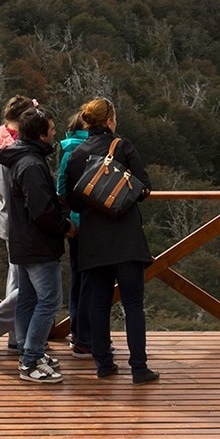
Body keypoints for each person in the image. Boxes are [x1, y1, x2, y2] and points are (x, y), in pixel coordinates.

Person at [64, 98, 159, 385]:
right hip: (127, 236)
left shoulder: (75, 154)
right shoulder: (123, 146)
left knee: (99, 303)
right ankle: (139, 369)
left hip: (93, 239)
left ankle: (104, 363)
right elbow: (145, 187)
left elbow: (72, 201)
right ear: (109, 121)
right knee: (132, 305)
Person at [0, 105, 75, 383]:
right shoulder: (31, 164)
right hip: (37, 244)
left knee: (28, 299)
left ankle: (30, 352)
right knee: (50, 300)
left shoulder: (20, 159)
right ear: (41, 134)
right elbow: (41, 210)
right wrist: (65, 226)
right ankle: (30, 361)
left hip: (22, 241)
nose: (54, 132)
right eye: (52, 129)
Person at [0, 95, 36, 352]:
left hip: (7, 216)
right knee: (33, 281)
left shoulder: (0, 138)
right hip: (21, 219)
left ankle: (18, 336)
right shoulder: (14, 148)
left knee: (16, 277)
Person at [56, 107, 92, 358]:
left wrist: (68, 218)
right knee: (94, 283)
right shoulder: (100, 149)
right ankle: (89, 337)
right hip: (95, 225)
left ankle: (78, 336)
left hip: (75, 225)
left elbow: (61, 188)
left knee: (78, 280)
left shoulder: (68, 150)